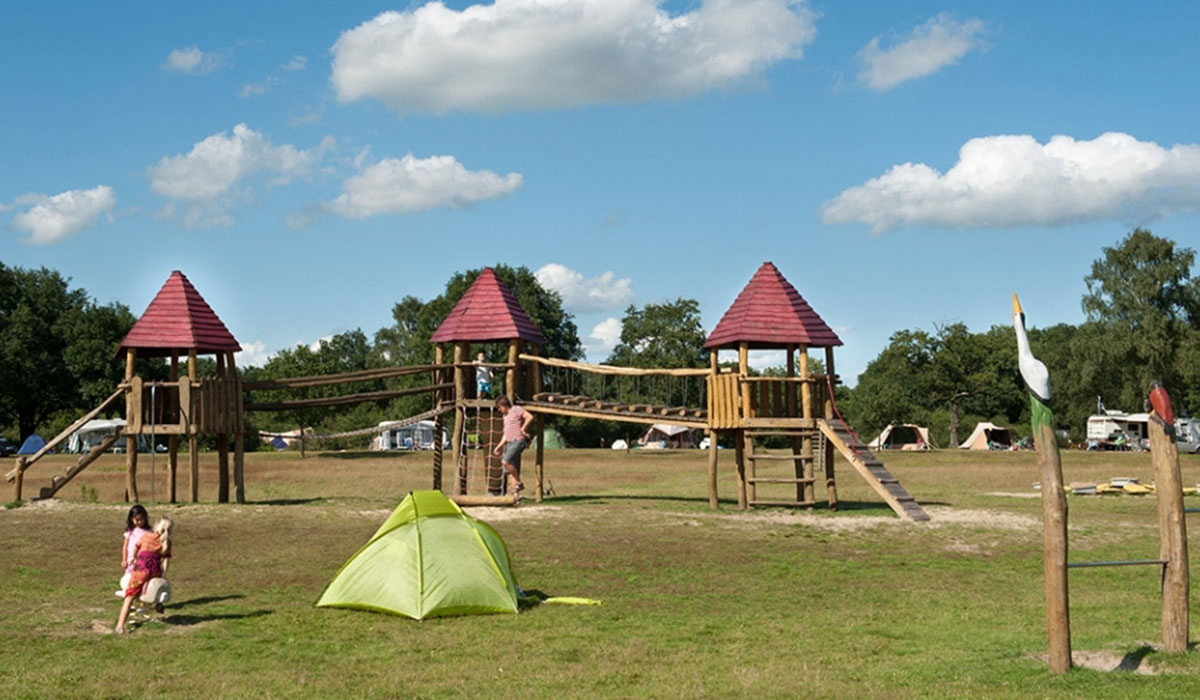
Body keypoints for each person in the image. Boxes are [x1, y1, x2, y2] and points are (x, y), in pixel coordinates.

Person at [115, 516, 173, 634]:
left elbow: (136, 547)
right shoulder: (167, 542)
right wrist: (163, 574)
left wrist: (133, 558)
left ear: (156, 526)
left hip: (141, 570)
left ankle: (120, 626)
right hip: (155, 570)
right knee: (154, 586)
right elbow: (165, 561)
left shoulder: (146, 536)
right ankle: (158, 603)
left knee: (129, 596)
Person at [493, 396, 534, 498]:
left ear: (504, 405)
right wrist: (498, 446)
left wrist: (523, 428)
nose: (499, 410)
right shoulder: (505, 417)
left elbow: (529, 417)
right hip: (509, 443)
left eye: (499, 407)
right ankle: (515, 497)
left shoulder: (516, 409)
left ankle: (519, 483)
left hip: (518, 441)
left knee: (505, 461)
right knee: (510, 471)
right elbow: (506, 434)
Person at [117, 505, 151, 597]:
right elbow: (125, 547)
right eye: (137, 520)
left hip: (143, 562)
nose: (139, 522)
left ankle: (143, 599)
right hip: (131, 561)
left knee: (143, 580)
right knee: (129, 579)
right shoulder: (130, 531)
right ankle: (128, 596)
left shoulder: (149, 532)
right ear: (131, 519)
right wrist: (124, 560)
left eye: (142, 519)